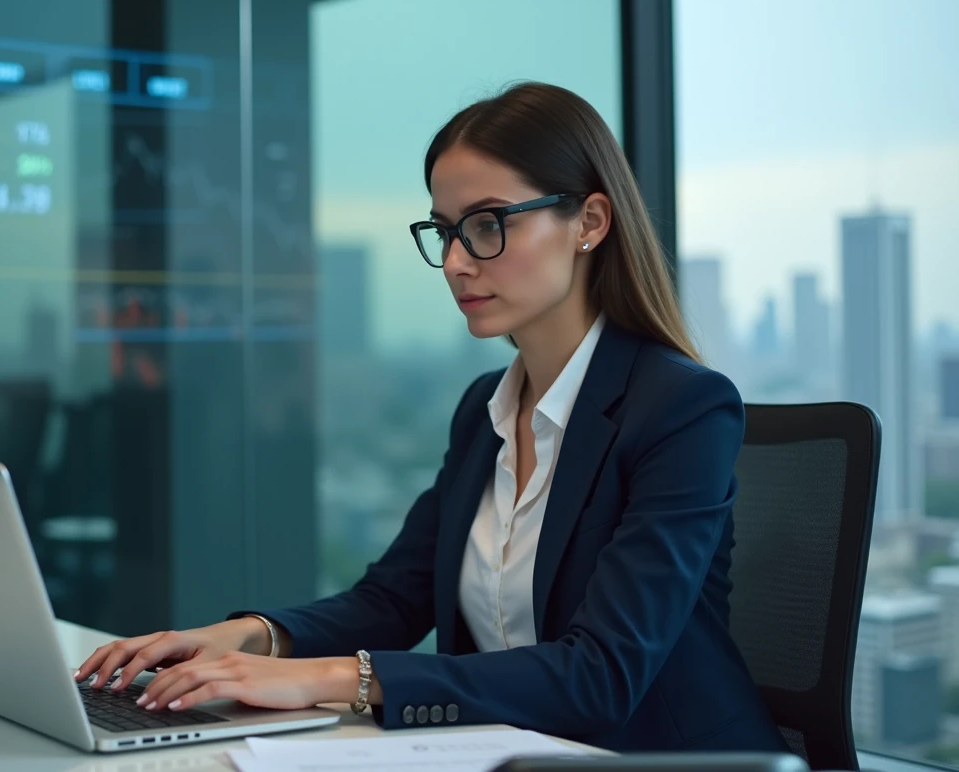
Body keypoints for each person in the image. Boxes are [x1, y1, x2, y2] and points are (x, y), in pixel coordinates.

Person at [75, 82, 788, 753]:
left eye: (486, 226)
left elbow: (600, 678)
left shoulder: (682, 409)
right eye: (444, 232)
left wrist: (332, 680)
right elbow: (395, 598)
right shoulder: (486, 411)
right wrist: (247, 639)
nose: (454, 262)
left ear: (589, 223)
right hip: (511, 755)